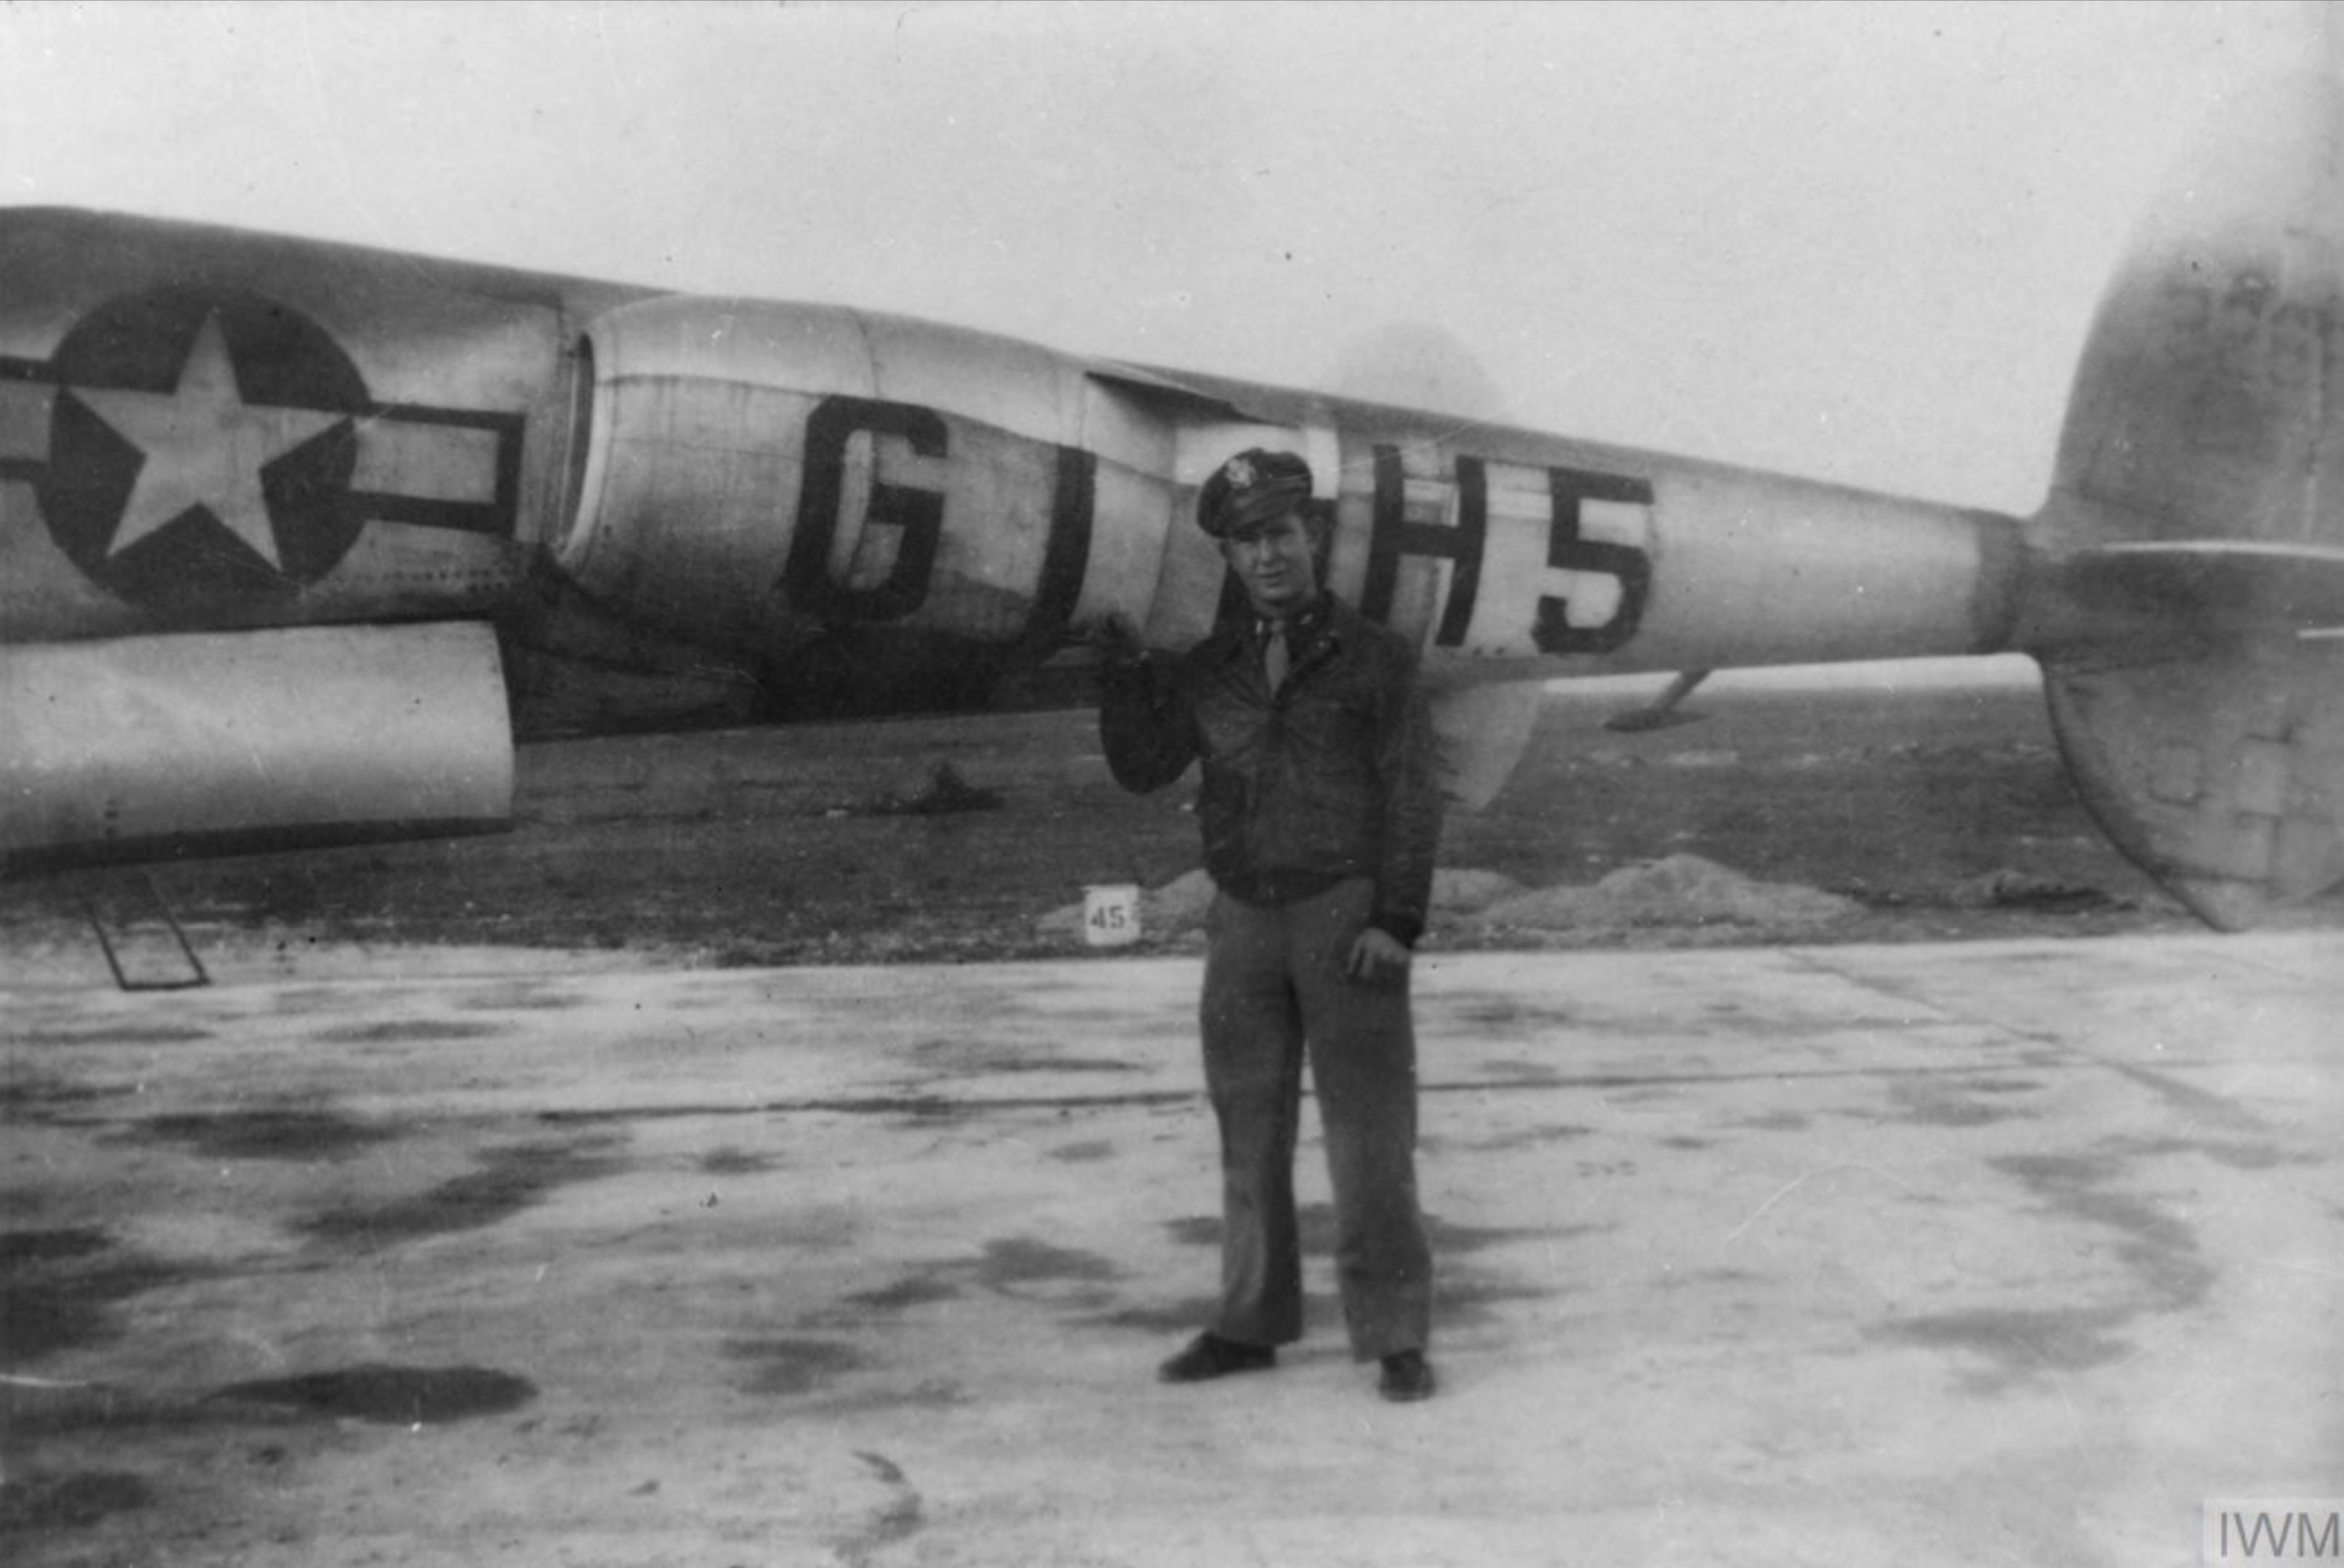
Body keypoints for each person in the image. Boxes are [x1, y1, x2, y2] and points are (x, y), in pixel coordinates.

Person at [1091, 448, 1444, 1404]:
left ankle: (1395, 1335)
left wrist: (1398, 920)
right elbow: (1144, 767)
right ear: (1229, 556)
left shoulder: (1377, 659)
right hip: (1242, 919)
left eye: (1281, 533)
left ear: (1312, 535)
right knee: (1248, 1134)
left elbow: (1412, 796)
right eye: (1247, 541)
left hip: (1345, 917)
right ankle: (1248, 1325)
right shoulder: (1212, 668)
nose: (1268, 555)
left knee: (1371, 1140)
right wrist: (1119, 675)